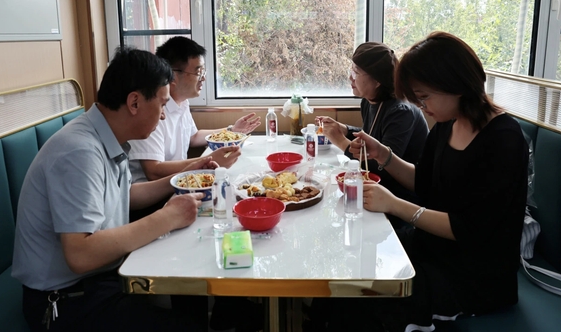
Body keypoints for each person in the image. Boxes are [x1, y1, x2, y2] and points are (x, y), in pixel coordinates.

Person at [314, 32, 529, 331]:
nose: (421, 106)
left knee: (364, 298)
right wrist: (385, 155)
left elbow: (470, 228)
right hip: (431, 248)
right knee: (346, 269)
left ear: (456, 84)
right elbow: (424, 182)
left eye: (424, 97)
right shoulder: (447, 124)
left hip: (472, 276)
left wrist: (395, 205)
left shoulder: (504, 139)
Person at [12, 47, 212, 332]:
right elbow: (80, 254)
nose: (163, 117)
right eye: (162, 104)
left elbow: (126, 195)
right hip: (65, 300)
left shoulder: (105, 137)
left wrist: (183, 175)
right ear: (134, 102)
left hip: (98, 281)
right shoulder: (79, 152)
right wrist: (168, 217)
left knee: (189, 291)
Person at [128, 37, 261, 183]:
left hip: (179, 182)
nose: (203, 78)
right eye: (198, 73)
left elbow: (193, 137)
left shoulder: (182, 102)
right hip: (154, 192)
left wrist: (231, 130)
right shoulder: (152, 110)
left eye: (203, 72)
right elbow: (153, 171)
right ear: (173, 76)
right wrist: (208, 160)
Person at [316, 42, 428, 203]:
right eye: (351, 70)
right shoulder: (369, 101)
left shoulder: (400, 112)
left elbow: (383, 168)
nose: (350, 78)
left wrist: (340, 141)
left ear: (377, 81)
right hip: (380, 189)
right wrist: (345, 129)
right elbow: (374, 136)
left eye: (356, 73)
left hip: (402, 197)